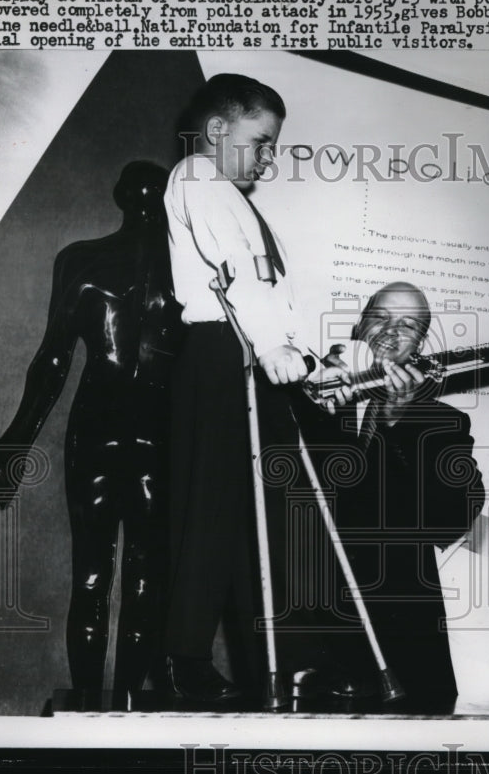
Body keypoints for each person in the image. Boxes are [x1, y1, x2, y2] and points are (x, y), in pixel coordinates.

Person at [0, 161, 184, 700]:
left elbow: (52, 362)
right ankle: (117, 705)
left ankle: (99, 706)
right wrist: (12, 442)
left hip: (101, 428)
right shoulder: (188, 268)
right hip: (155, 431)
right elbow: (51, 361)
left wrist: (15, 442)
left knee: (97, 576)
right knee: (142, 579)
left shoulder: (86, 261)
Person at [161, 74, 316, 704]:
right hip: (223, 350)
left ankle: (291, 660)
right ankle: (185, 660)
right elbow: (230, 273)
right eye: (263, 141)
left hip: (254, 350)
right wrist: (271, 344)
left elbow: (274, 292)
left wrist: (303, 352)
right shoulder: (199, 175)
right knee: (215, 511)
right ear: (220, 130)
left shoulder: (239, 199)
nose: (271, 158)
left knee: (279, 514)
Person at [301, 282, 485, 710]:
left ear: (420, 344)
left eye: (408, 325)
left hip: (399, 641)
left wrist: (396, 425)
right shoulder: (304, 400)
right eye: (380, 318)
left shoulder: (443, 422)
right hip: (308, 627)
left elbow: (451, 521)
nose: (391, 331)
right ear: (357, 327)